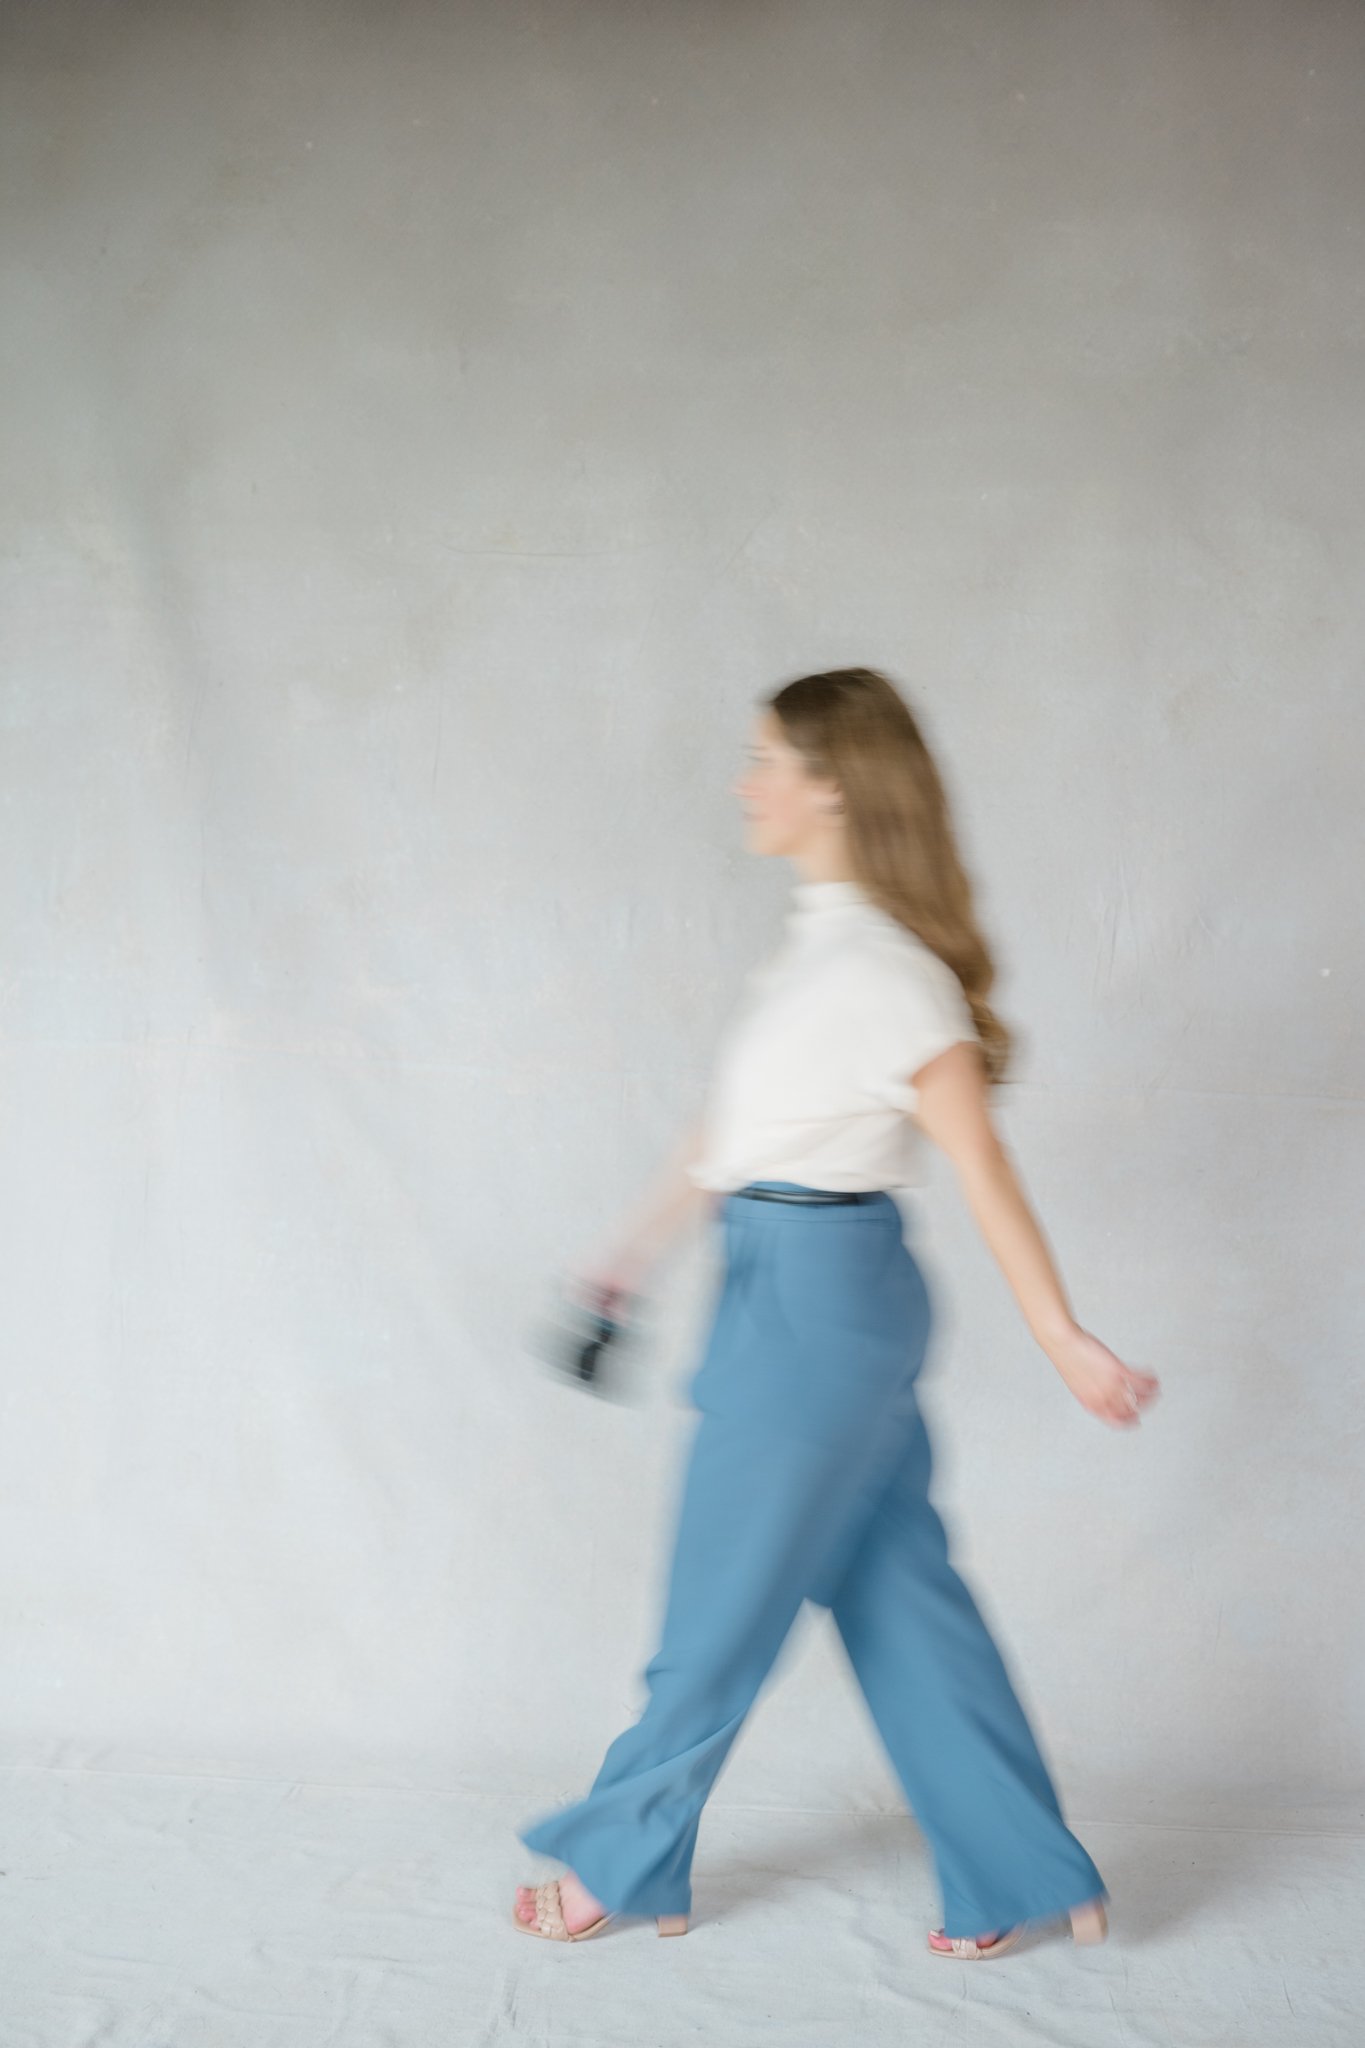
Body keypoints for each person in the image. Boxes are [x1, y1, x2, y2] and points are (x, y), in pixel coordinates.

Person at [511, 667, 1159, 1958]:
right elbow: (728, 1140)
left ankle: (626, 1863)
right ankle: (1025, 1875)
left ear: (834, 783)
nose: (744, 785)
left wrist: (1060, 1337)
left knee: (720, 1599)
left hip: (817, 1306)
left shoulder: (890, 976)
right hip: (790, 1283)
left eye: (766, 761)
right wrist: (623, 1262)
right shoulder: (817, 953)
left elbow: (979, 1167)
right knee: (902, 1599)